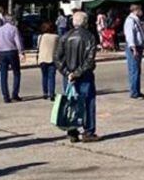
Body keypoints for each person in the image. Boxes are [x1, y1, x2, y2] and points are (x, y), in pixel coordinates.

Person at [55, 11, 99, 143]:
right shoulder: (89, 37)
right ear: (85, 22)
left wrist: (67, 72)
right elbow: (89, 60)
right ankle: (88, 131)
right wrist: (76, 72)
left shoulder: (65, 36)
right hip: (83, 75)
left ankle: (72, 130)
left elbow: (57, 58)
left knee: (72, 103)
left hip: (70, 75)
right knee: (88, 103)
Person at [0, 15, 25, 103]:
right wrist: (21, 52)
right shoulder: (14, 29)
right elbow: (18, 41)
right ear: (12, 21)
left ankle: (5, 96)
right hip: (12, 52)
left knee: (3, 75)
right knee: (17, 73)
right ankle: (15, 94)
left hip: (2, 53)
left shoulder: (0, 30)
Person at [123, 4, 144, 99]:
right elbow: (130, 35)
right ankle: (134, 93)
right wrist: (133, 48)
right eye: (140, 10)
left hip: (138, 46)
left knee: (137, 70)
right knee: (134, 70)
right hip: (134, 47)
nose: (142, 12)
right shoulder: (130, 21)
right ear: (136, 10)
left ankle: (137, 90)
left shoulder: (136, 19)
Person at [37, 21, 59, 100]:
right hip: (52, 58)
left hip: (42, 58)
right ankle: (52, 93)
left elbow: (38, 46)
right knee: (51, 77)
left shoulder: (41, 37)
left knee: (44, 76)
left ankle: (45, 93)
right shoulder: (56, 37)